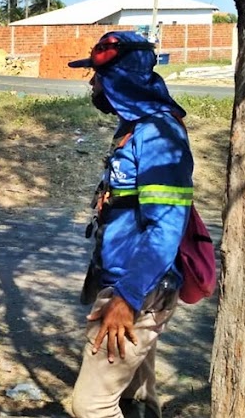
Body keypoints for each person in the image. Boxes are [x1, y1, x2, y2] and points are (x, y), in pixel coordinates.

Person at [68, 31, 194, 418]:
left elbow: (166, 226)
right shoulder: (134, 127)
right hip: (125, 281)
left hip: (137, 291)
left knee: (91, 406)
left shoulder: (157, 134)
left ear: (120, 79)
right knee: (136, 396)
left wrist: (126, 299)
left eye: (98, 75)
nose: (92, 82)